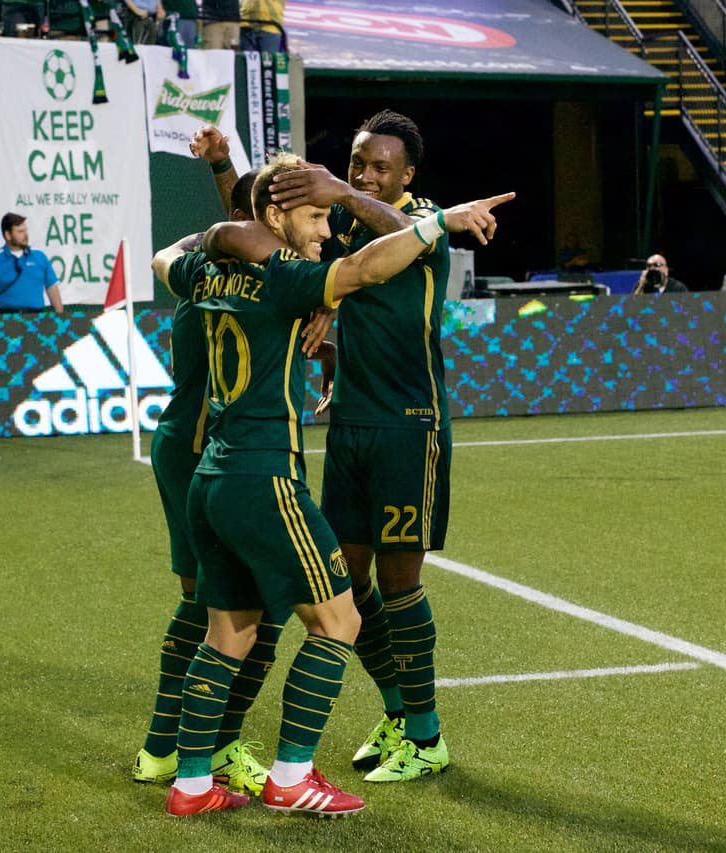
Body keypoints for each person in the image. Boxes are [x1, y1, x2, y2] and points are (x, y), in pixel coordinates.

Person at [150, 152, 512, 815]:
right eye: (315, 216)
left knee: (227, 633)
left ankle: (192, 784)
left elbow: (163, 257)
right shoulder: (289, 280)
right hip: (266, 475)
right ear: (275, 218)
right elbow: (370, 265)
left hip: (210, 477)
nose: (325, 229)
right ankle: (292, 776)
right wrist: (442, 224)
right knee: (338, 618)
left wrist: (222, 233)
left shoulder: (204, 274)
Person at [227, 110, 461, 784]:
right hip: (353, 424)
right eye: (359, 162)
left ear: (407, 174)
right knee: (346, 584)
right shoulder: (344, 224)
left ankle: (427, 735)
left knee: (400, 581)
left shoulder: (423, 217)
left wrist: (343, 193)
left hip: (409, 425)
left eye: (380, 166)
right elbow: (262, 236)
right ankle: (396, 712)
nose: (365, 174)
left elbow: (414, 239)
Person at [131, 137, 287, 800]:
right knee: (255, 609)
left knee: (201, 604)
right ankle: (215, 746)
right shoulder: (257, 280)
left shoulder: (204, 270)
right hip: (212, 452)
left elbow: (177, 250)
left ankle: (162, 747)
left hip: (184, 443)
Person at [0, 213, 63, 315]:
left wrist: (61, 317)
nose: (25, 235)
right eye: (20, 232)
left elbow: (52, 287)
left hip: (36, 317)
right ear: (8, 235)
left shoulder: (39, 256)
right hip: (5, 318)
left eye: (25, 230)